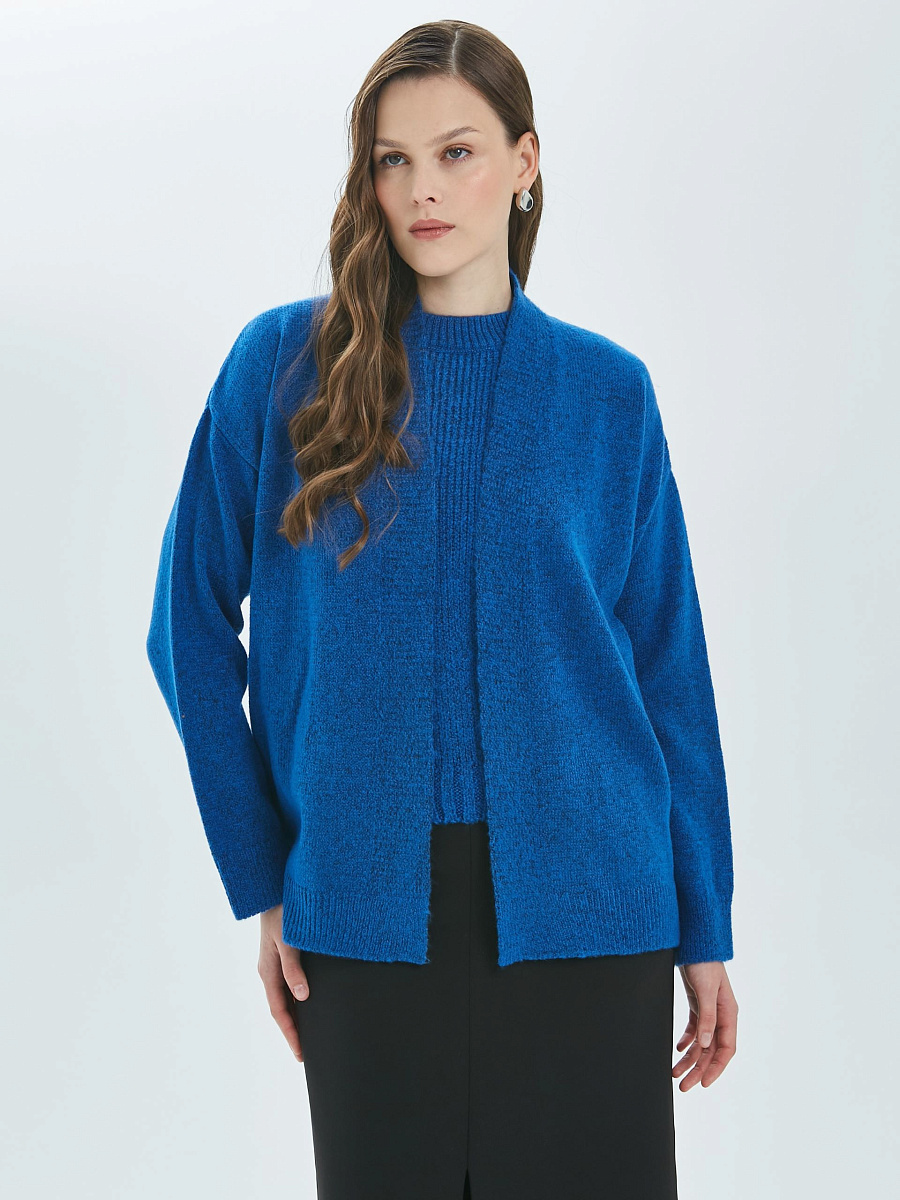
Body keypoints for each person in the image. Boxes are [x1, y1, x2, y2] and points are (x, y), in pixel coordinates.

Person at [146, 19, 738, 1200]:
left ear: (524, 162)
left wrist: (706, 921)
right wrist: (265, 877)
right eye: (392, 159)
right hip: (364, 914)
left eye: (456, 153)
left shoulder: (608, 394)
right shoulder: (285, 368)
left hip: (595, 915)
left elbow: (667, 669)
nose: (421, 189)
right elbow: (188, 631)